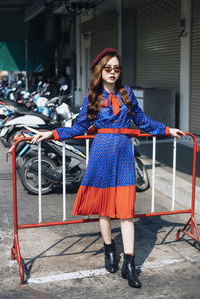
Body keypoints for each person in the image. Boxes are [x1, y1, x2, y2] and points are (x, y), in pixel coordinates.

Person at [31, 48, 184, 288]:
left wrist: (167, 130)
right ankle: (109, 249)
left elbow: (142, 121)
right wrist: (51, 133)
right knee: (104, 207)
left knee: (126, 211)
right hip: (101, 153)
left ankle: (130, 265)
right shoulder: (92, 97)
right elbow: (78, 127)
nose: (113, 72)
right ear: (100, 71)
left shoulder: (127, 94)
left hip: (124, 153)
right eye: (108, 68)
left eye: (116, 68)